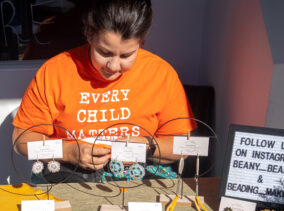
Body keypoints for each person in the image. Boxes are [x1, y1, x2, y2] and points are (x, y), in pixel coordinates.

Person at [12, 0, 195, 174]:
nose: (114, 66)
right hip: (70, 178)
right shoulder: (55, 72)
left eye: (126, 56)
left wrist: (148, 147)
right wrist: (69, 152)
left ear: (141, 43)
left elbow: (184, 146)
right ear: (90, 33)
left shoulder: (160, 73)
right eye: (104, 52)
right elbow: (21, 142)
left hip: (140, 179)